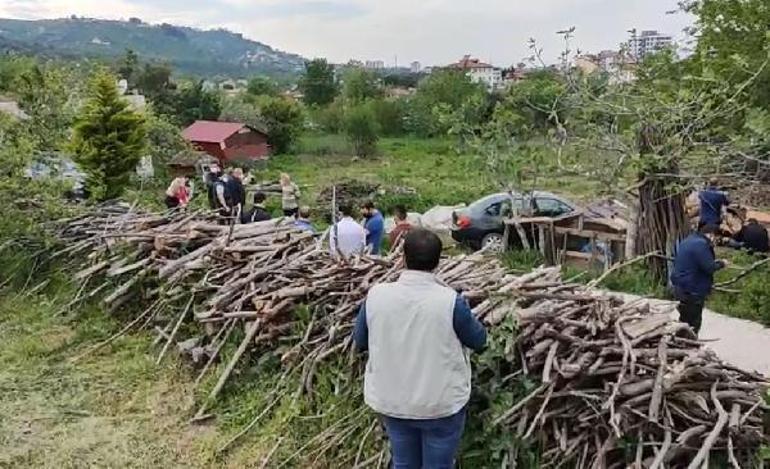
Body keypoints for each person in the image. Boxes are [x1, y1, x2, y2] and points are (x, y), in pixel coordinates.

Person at [353, 228, 487, 468]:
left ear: (402, 258)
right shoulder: (450, 301)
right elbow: (479, 340)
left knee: (403, 463)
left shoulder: (376, 296)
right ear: (438, 262)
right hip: (440, 405)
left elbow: (360, 341)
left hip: (392, 402)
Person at [670, 224, 728, 335]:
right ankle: (687, 346)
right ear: (711, 235)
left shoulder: (689, 240)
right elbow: (709, 267)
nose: (716, 242)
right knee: (693, 323)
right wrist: (722, 263)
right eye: (717, 238)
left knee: (684, 320)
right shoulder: (701, 245)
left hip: (680, 286)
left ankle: (680, 344)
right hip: (692, 289)